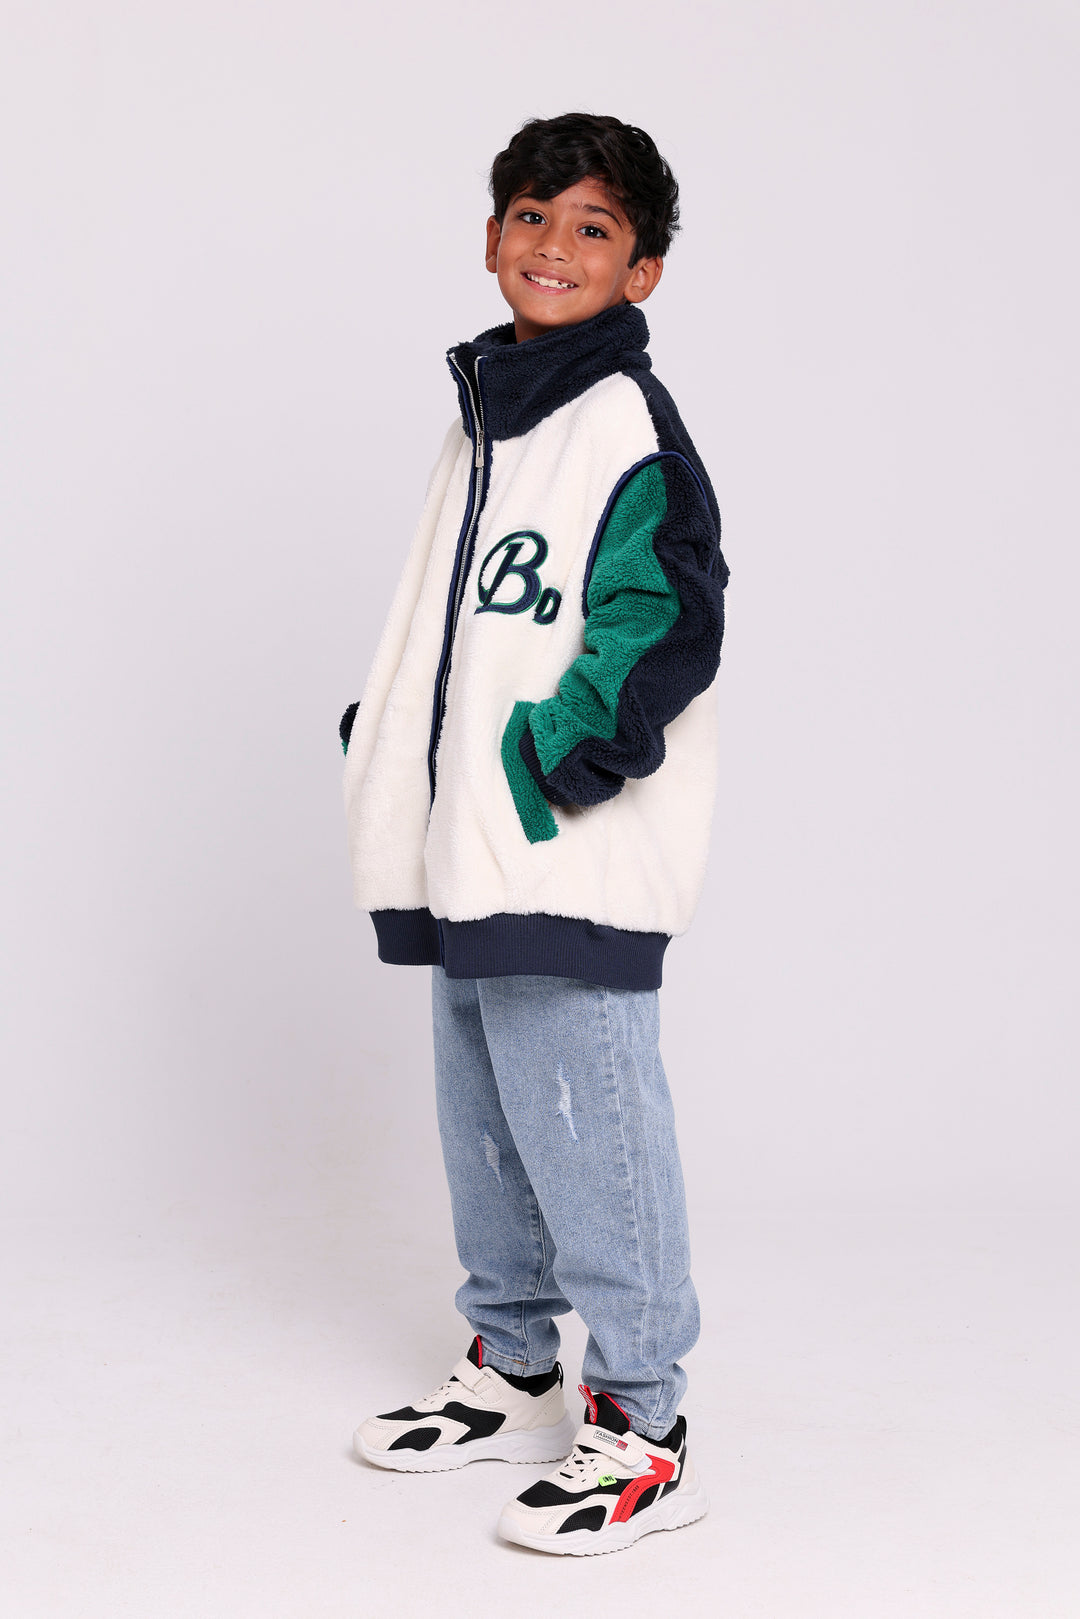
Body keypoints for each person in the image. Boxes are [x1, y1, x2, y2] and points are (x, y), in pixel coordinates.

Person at [340, 112, 729, 1556]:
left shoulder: (624, 425)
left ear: (644, 271)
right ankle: (513, 1366)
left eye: (593, 228)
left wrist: (544, 762)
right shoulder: (489, 416)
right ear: (491, 235)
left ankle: (645, 1423)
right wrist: (394, 737)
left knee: (591, 1126)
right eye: (530, 215)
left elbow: (665, 621)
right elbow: (461, 620)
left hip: (563, 844)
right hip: (468, 842)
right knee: (486, 1114)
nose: (553, 246)